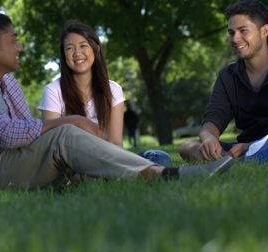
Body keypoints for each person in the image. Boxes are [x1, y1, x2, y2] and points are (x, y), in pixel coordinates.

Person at [0, 12, 233, 190]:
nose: (20, 46)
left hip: (6, 163)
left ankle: (146, 170)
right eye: (13, 40)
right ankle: (163, 175)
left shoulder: (7, 82)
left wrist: (68, 132)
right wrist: (73, 121)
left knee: (67, 140)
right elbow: (9, 134)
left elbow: (26, 130)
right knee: (65, 133)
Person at [179, 0, 268, 162]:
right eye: (231, 33)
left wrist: (254, 145)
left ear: (265, 31)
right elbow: (213, 118)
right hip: (243, 147)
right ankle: (233, 161)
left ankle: (235, 162)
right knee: (188, 147)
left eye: (243, 31)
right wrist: (208, 137)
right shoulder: (228, 76)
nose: (235, 39)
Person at [37, 20, 172, 167]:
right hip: (72, 163)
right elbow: (51, 145)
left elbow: (115, 143)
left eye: (83, 45)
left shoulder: (113, 89)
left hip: (108, 158)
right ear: (63, 55)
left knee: (160, 158)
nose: (77, 53)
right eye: (69, 48)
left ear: (95, 49)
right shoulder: (52, 90)